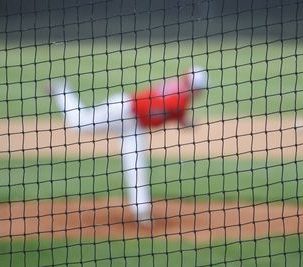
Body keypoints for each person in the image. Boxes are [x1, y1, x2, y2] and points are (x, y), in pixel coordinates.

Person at [48, 66, 208, 223]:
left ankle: (142, 211)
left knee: (136, 165)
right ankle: (61, 90)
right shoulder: (178, 98)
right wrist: (184, 122)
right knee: (80, 124)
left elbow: (171, 113)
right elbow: (165, 111)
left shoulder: (178, 91)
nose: (200, 92)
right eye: (199, 88)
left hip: (134, 126)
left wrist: (185, 122)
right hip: (123, 110)